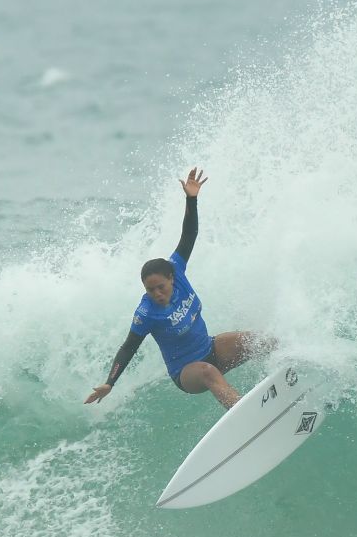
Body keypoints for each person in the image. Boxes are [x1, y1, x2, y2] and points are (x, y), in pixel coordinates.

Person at [84, 168, 273, 410]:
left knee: (260, 340)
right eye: (150, 290)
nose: (156, 294)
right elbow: (128, 347)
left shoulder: (177, 269)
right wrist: (110, 383)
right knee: (208, 372)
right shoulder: (146, 313)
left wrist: (191, 199)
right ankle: (246, 414)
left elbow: (189, 234)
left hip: (211, 347)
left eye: (160, 287)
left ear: (171, 278)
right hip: (187, 372)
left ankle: (291, 377)